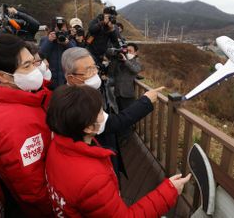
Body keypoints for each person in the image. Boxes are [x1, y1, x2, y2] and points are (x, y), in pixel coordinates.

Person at [46, 84, 191, 217]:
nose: (105, 115)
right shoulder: (94, 181)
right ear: (89, 128)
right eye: (100, 111)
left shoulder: (57, 146)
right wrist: (169, 191)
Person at [61, 47, 161, 179]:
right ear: (71, 78)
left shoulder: (78, 91)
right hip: (98, 159)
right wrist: (146, 101)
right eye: (88, 70)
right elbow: (113, 123)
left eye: (94, 67)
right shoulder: (77, 103)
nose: (94, 73)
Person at [0, 34, 53, 217]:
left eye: (33, 62)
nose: (35, 71)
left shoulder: (17, 97)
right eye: (26, 66)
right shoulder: (14, 124)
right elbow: (33, 190)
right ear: (1, 75)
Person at [39, 16, 76, 89]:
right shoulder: (45, 40)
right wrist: (49, 41)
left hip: (66, 80)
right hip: (51, 80)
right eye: (58, 27)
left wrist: (67, 43)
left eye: (63, 27)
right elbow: (40, 55)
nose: (61, 30)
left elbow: (75, 55)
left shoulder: (70, 40)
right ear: (53, 28)